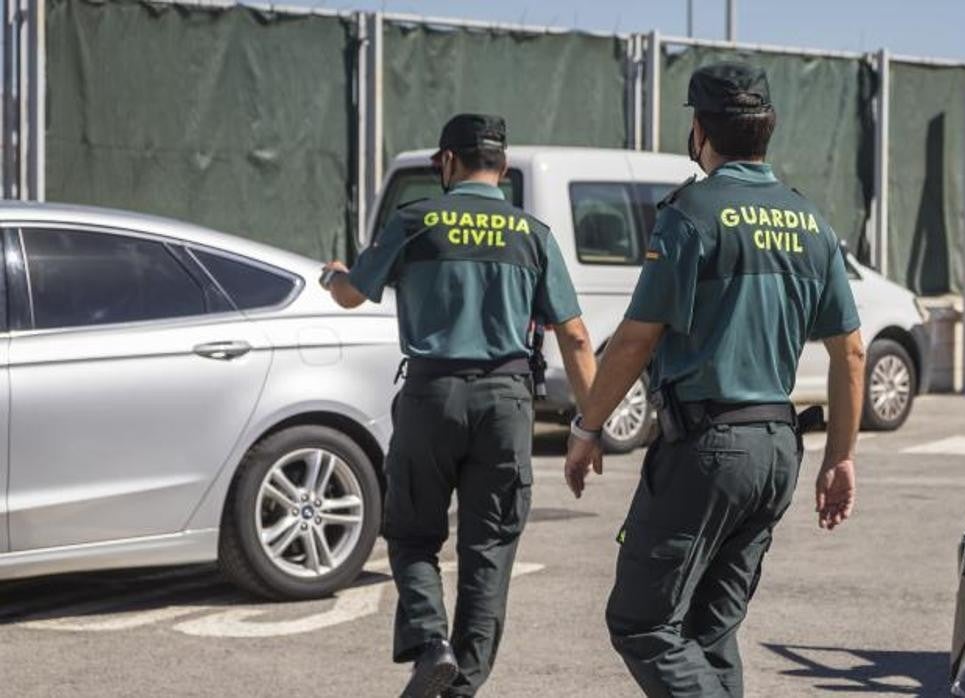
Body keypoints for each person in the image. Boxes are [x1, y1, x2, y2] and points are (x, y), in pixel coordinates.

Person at [563, 63, 866, 697]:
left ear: (700, 130)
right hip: (778, 450)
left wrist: (588, 424)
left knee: (642, 622)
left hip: (707, 449)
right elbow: (852, 354)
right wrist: (840, 457)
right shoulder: (812, 224)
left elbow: (636, 339)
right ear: (769, 129)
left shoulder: (692, 213)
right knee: (709, 628)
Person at [323, 113, 598, 698]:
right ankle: (461, 685)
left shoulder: (415, 221)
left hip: (431, 397)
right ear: (500, 164)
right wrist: (588, 427)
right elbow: (574, 337)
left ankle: (431, 643)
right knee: (490, 549)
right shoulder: (533, 235)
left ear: (447, 162)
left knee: (413, 534)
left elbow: (351, 295)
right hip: (506, 402)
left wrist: (335, 276)